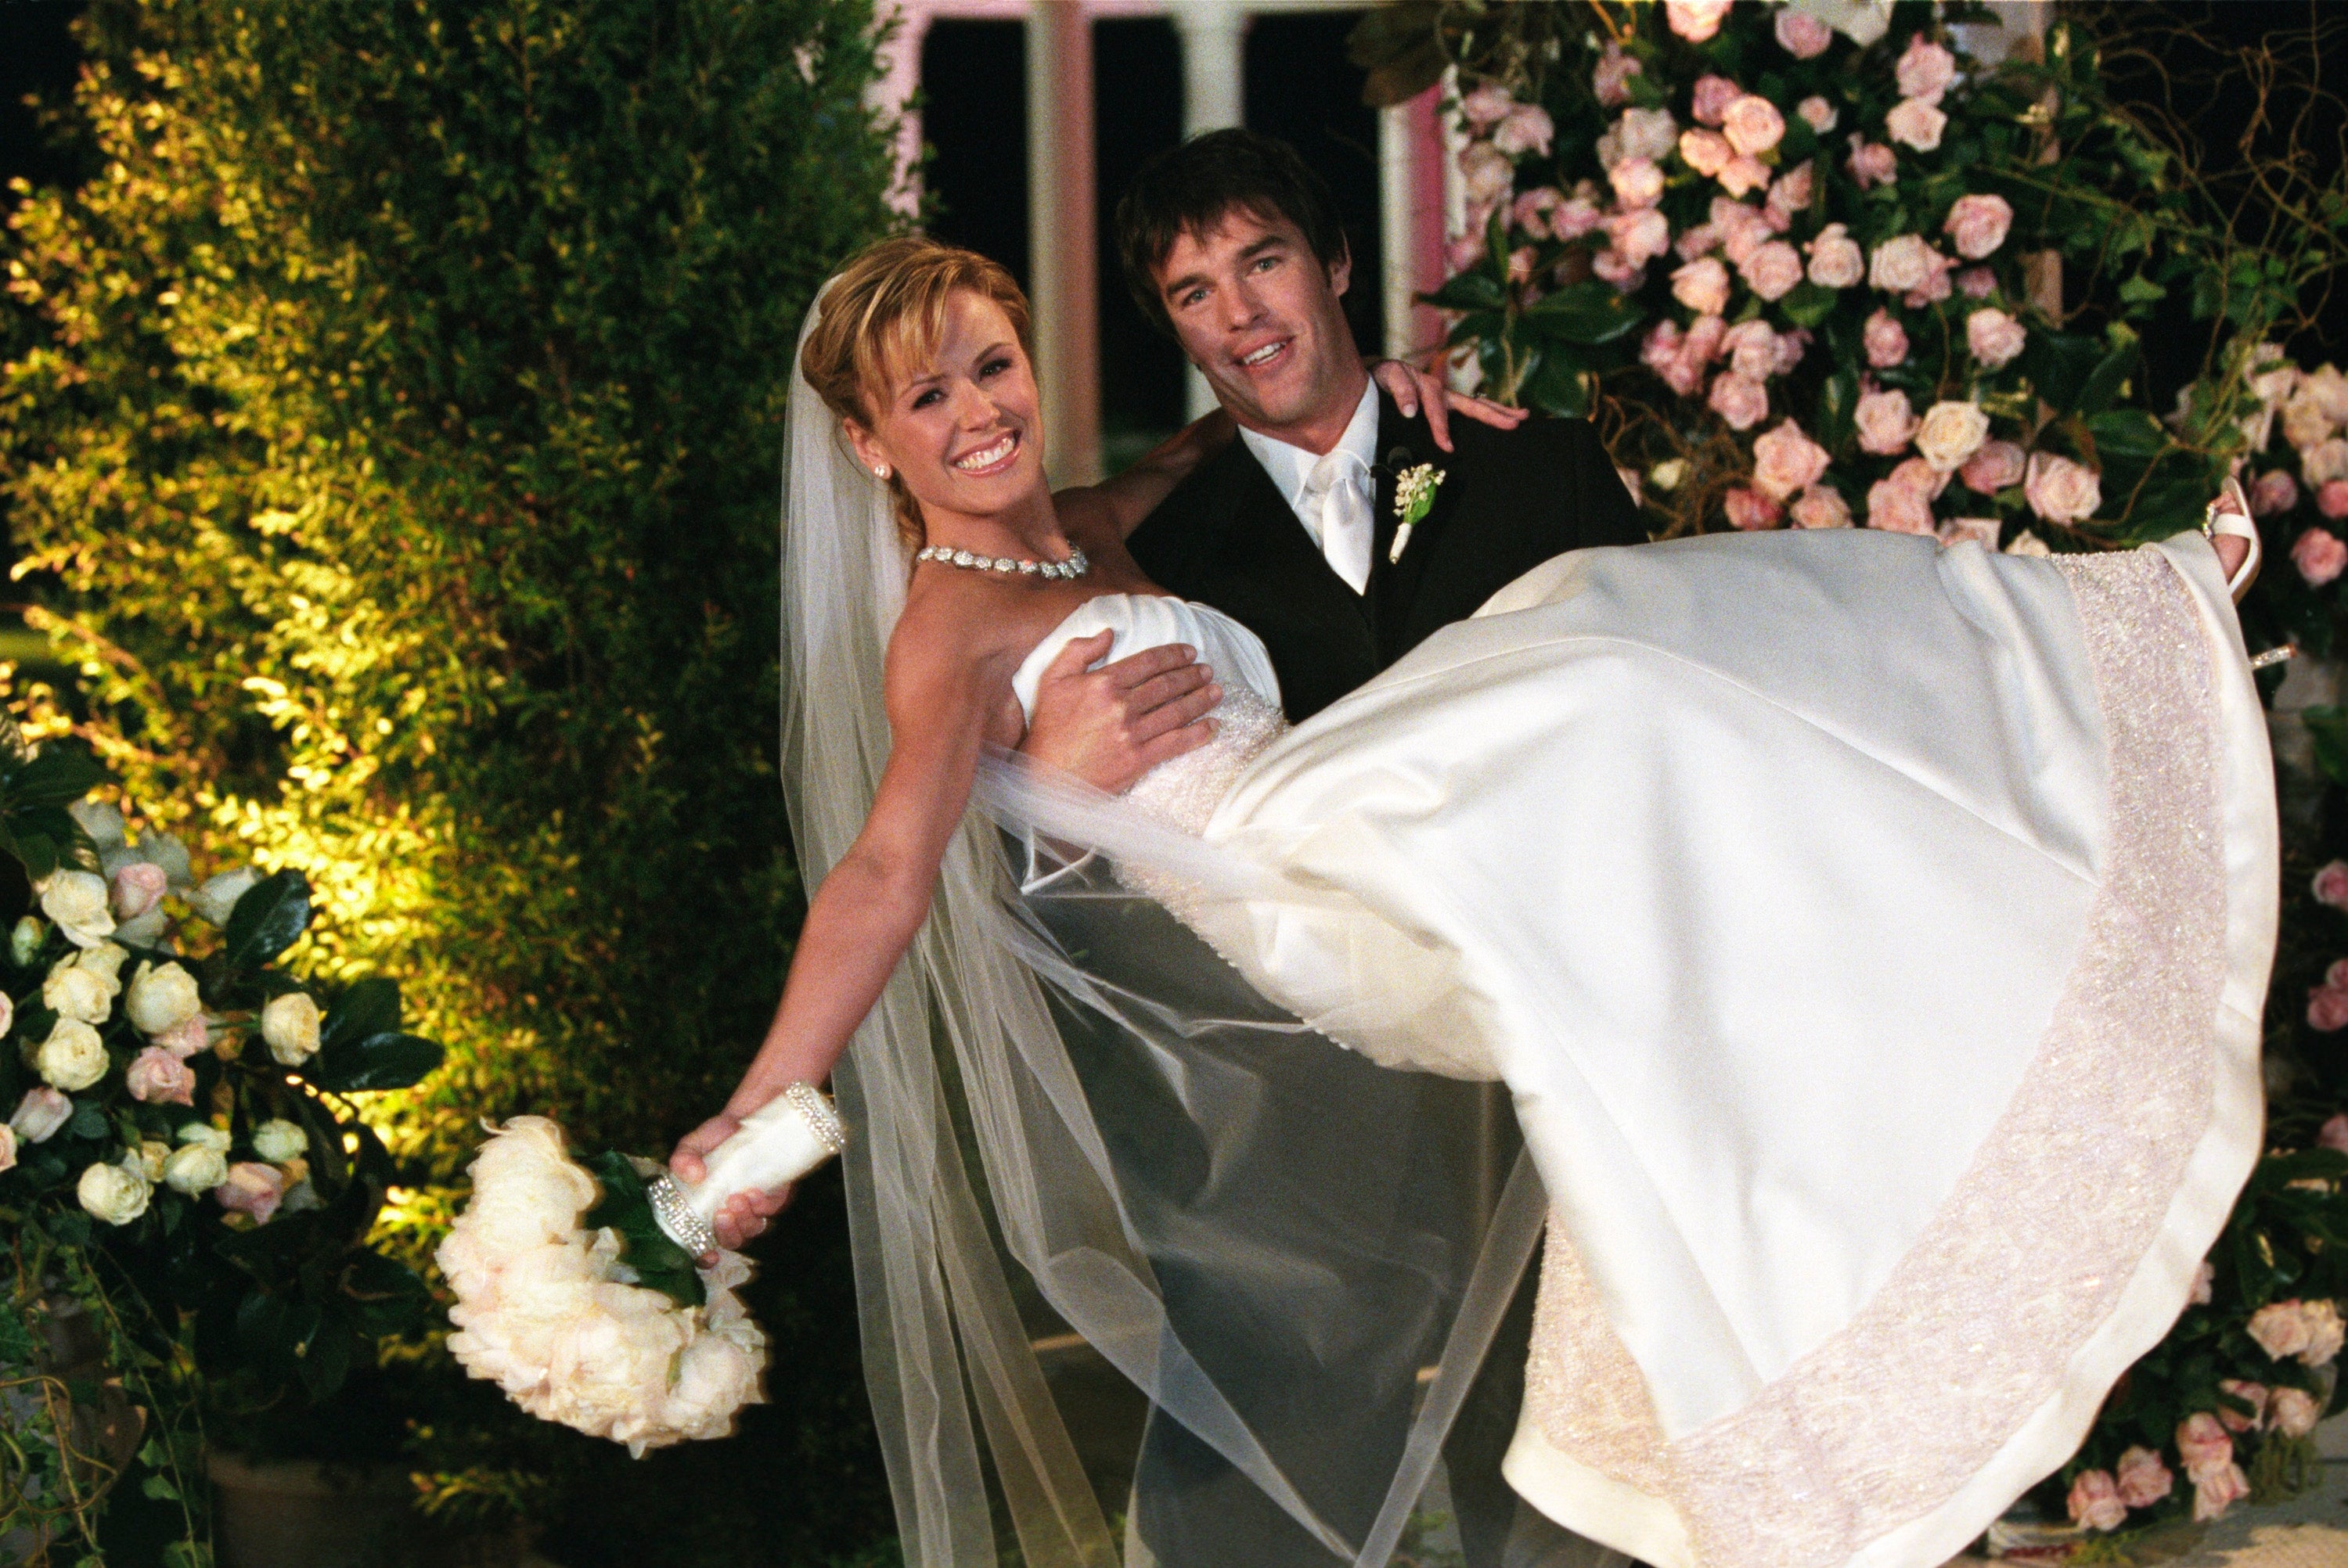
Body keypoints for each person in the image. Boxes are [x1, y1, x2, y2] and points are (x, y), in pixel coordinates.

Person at [674, 228, 2273, 1568]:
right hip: (1307, 896)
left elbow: (1231, 436)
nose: (980, 411)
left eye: (994, 365)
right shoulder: (945, 629)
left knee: (1609, 629)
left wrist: (1387, 391)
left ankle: (2083, 668)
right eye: (929, 395)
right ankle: (2070, 670)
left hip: (1330, 816)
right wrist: (764, 1101)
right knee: (1596, 669)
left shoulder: (1083, 530)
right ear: (871, 446)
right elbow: (888, 871)